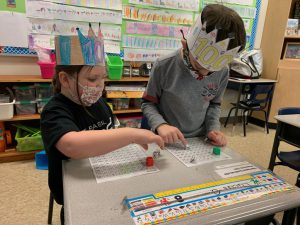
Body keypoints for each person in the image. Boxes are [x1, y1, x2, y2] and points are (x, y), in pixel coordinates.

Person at [40, 25, 164, 224]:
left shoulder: (99, 104)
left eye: (103, 77)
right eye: (92, 78)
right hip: (76, 195)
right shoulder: (54, 111)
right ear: (65, 79)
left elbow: (108, 136)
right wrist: (131, 135)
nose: (100, 85)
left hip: (104, 182)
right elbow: (72, 145)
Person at [142, 4, 246, 147]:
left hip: (200, 139)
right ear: (185, 45)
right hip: (165, 139)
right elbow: (148, 103)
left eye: (211, 71)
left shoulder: (223, 71)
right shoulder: (163, 65)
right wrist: (161, 125)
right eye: (197, 66)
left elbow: (214, 105)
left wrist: (213, 129)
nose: (203, 74)